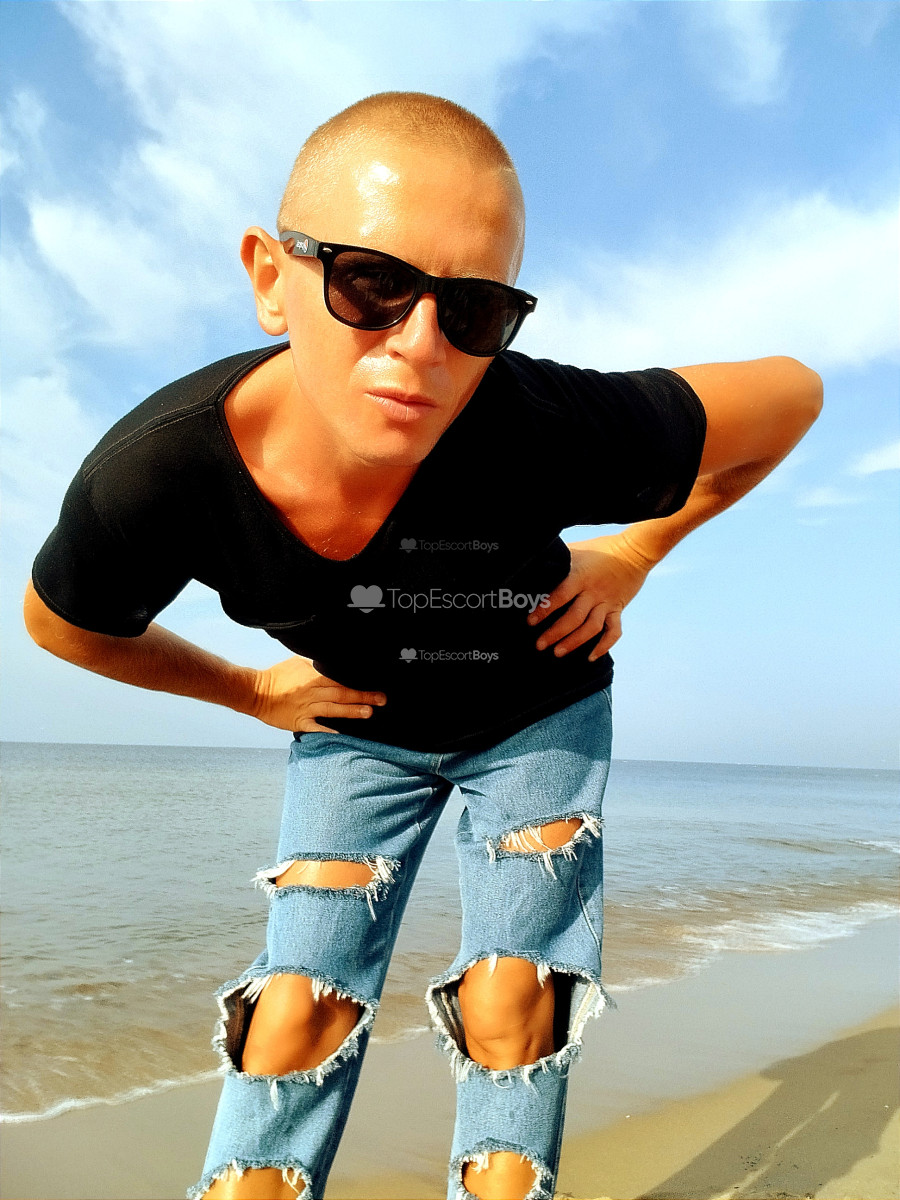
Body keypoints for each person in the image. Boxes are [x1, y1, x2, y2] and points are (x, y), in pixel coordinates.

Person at [24, 92, 822, 1200]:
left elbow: (792, 395)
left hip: (537, 713)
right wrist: (250, 692)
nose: (420, 346)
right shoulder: (163, 474)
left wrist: (635, 553)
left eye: (475, 308)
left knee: (511, 1003)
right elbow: (65, 623)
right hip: (358, 728)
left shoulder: (545, 424)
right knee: (294, 1014)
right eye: (371, 283)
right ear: (272, 277)